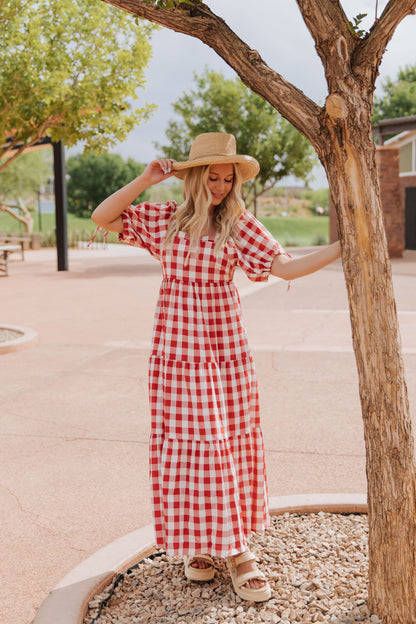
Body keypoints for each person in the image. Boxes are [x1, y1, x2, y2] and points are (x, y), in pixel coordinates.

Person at [91, 132, 341, 603]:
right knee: (190, 445)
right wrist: (145, 179)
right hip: (175, 353)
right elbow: (102, 217)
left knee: (223, 443)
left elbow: (286, 268)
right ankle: (201, 543)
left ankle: (238, 549)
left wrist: (345, 246)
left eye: (228, 179)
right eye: (213, 177)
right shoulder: (166, 219)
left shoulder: (239, 224)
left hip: (223, 352)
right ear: (194, 177)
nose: (222, 186)